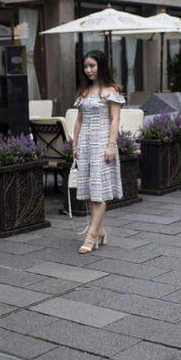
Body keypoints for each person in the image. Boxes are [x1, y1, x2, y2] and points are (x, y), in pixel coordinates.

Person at [72, 50, 124, 254]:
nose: (88, 70)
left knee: (99, 190)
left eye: (92, 66)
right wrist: (75, 145)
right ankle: (100, 229)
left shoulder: (112, 90)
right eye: (85, 66)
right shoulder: (84, 91)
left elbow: (116, 119)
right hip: (85, 143)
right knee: (87, 190)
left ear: (101, 66)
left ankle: (91, 235)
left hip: (102, 143)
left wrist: (111, 145)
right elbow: (78, 120)